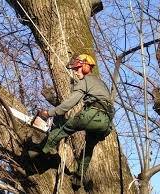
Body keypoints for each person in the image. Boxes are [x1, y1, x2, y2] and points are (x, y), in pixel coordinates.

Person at [30, 54, 114, 189]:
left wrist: (48, 113)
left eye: (77, 68)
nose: (75, 72)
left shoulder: (85, 81)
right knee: (88, 149)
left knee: (63, 129)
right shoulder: (100, 84)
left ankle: (39, 152)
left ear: (85, 67)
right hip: (106, 123)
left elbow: (69, 104)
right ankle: (78, 178)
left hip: (93, 115)